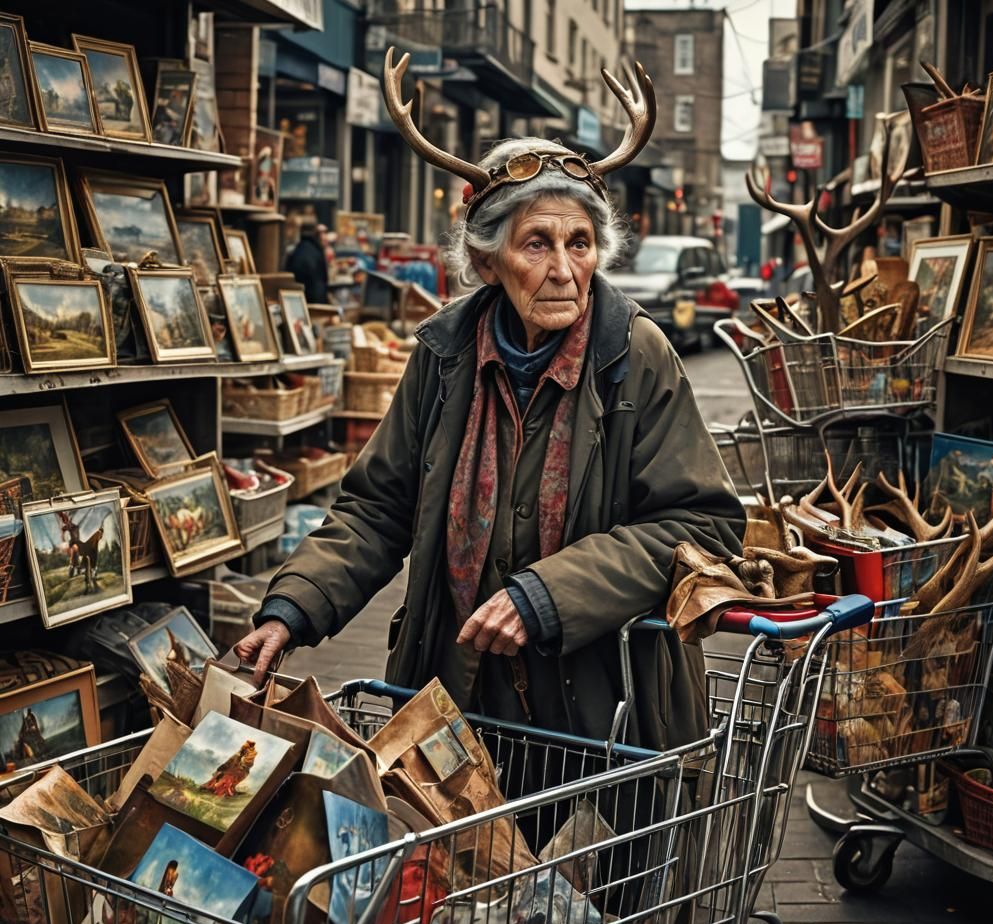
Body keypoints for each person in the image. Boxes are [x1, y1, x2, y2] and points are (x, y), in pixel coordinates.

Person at [235, 55, 743, 755]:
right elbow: (379, 506)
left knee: (606, 832)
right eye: (537, 244)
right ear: (486, 262)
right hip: (460, 690)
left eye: (580, 243)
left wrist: (547, 596)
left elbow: (702, 526)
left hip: (608, 703)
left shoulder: (634, 352)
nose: (563, 270)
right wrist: (293, 607)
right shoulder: (445, 355)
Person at [285, 219, 328, 303]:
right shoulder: (316, 251)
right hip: (312, 302)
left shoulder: (296, 251)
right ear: (316, 233)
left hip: (296, 300)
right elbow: (320, 284)